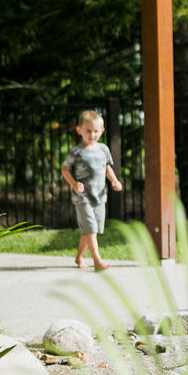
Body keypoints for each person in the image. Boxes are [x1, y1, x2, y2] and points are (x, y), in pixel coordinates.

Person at [60, 110, 122, 271]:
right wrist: (74, 184)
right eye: (88, 131)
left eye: (96, 131)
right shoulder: (77, 151)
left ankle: (79, 257)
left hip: (100, 196)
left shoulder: (103, 149)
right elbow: (65, 169)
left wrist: (114, 180)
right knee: (91, 229)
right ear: (79, 130)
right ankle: (97, 261)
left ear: (102, 131)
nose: (92, 134)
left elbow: (107, 167)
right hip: (83, 197)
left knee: (90, 230)